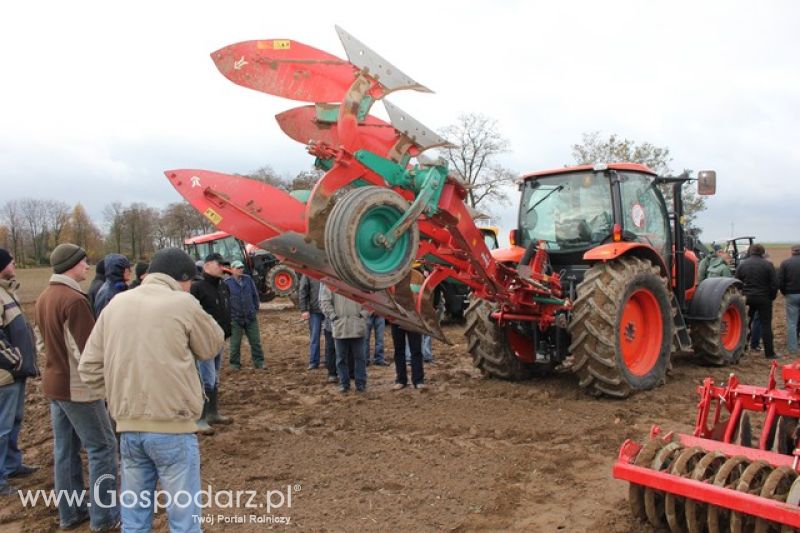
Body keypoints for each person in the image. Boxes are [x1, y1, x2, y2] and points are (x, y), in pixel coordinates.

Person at [79, 248, 225, 533]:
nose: (190, 287)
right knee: (184, 518)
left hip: (129, 430)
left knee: (134, 516)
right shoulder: (182, 303)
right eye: (189, 282)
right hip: (174, 426)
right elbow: (211, 345)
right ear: (180, 278)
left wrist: (118, 393)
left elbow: (89, 368)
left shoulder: (116, 305)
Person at [34, 243, 118, 530]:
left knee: (65, 450)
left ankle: (70, 513)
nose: (87, 266)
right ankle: (105, 517)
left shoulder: (44, 297)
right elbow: (90, 352)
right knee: (103, 448)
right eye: (84, 262)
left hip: (55, 385)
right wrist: (105, 386)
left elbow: (41, 343)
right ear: (72, 264)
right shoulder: (74, 300)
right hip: (78, 389)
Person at [0, 249, 39, 497]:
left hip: (16, 372)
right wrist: (15, 361)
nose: (15, 263)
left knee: (14, 421)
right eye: (10, 261)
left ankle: (12, 465)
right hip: (5, 375)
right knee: (2, 427)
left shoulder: (6, 292)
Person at [190, 253, 232, 433]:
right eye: (219, 264)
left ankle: (213, 413)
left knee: (215, 377)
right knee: (206, 378)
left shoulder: (223, 286)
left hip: (219, 340)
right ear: (207, 266)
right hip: (204, 341)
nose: (222, 267)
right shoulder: (198, 288)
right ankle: (200, 418)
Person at [319, 284, 368, 393]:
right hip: (340, 326)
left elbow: (369, 300)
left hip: (357, 326)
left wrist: (363, 315)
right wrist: (333, 317)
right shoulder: (331, 282)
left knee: (360, 357)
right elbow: (324, 302)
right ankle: (344, 383)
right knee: (341, 358)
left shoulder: (358, 282)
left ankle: (361, 383)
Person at [736, 243, 778, 359]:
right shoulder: (768, 265)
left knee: (745, 324)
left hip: (747, 297)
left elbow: (737, 282)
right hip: (764, 298)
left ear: (750, 251)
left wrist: (742, 295)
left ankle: (742, 349)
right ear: (762, 253)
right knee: (766, 325)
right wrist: (771, 297)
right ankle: (769, 353)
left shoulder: (742, 265)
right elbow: (774, 284)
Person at [225, 260, 265, 369]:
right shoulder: (227, 283)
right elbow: (226, 301)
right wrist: (230, 316)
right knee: (235, 343)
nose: (240, 270)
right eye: (238, 268)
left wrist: (254, 309)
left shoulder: (248, 280)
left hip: (250, 316)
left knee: (255, 341)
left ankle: (259, 362)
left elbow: (254, 295)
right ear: (232, 269)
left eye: (241, 267)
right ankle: (234, 364)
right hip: (235, 318)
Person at [298, 274, 324, 370]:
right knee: (314, 337)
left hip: (329, 311)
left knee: (331, 338)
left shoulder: (329, 271)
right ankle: (314, 361)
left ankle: (330, 360)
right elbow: (303, 291)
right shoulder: (308, 273)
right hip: (315, 311)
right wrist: (304, 309)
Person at [778, 244, 800, 356]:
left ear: (792, 252)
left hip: (791, 295)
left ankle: (792, 348)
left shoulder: (785, 263)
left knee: (792, 322)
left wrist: (784, 292)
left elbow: (781, 281)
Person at [392, 323, 425, 390]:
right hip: (396, 320)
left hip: (413, 319)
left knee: (416, 350)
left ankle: (418, 380)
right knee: (399, 350)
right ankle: (401, 380)